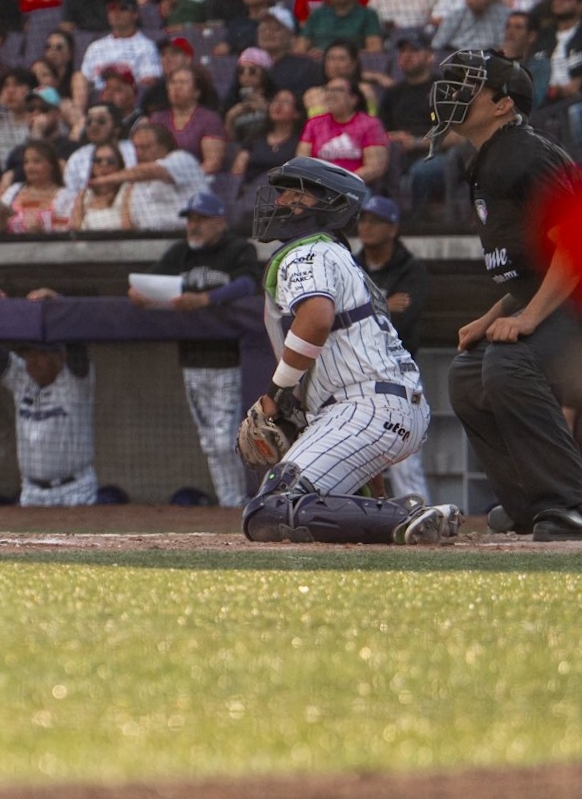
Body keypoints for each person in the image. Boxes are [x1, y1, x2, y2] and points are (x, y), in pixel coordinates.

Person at [237, 157, 461, 544]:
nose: (281, 200)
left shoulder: (306, 252)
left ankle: (408, 515)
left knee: (270, 508)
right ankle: (396, 516)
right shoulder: (337, 256)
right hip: (376, 406)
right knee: (316, 506)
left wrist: (274, 397)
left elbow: (316, 319)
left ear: (327, 205)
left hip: (365, 407)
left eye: (295, 193)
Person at [429, 50, 582, 540]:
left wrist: (527, 320)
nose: (454, 94)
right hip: (562, 298)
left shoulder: (524, 153)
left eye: (470, 87)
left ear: (504, 105)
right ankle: (529, 503)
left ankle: (574, 504)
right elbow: (532, 273)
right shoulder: (493, 158)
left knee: (509, 364)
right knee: (466, 374)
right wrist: (490, 317)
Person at [131, 192, 260, 507]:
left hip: (228, 359)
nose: (194, 226)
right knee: (209, 441)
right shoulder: (179, 252)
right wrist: (141, 293)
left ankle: (236, 501)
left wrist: (205, 300)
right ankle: (229, 500)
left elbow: (248, 284)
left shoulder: (238, 249)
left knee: (223, 438)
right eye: (190, 219)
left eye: (201, 219)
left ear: (220, 221)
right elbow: (142, 284)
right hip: (191, 358)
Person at [353, 194, 432, 500]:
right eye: (364, 219)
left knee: (405, 455)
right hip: (356, 370)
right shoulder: (351, 264)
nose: (367, 226)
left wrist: (361, 312)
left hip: (400, 369)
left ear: (393, 228)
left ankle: (418, 514)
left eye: (376, 221)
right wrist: (385, 306)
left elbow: (407, 317)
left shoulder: (411, 269)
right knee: (356, 450)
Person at [0, 343, 98, 506]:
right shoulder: (22, 381)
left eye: (40, 355)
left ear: (59, 357)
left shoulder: (75, 383)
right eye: (28, 355)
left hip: (75, 490)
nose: (32, 361)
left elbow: (76, 350)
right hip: (32, 492)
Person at [297, 78, 389, 184]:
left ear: (354, 99)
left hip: (355, 186)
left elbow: (375, 167)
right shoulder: (314, 124)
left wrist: (341, 181)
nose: (330, 94)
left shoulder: (370, 124)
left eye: (338, 90)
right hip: (318, 186)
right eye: (327, 90)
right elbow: (302, 161)